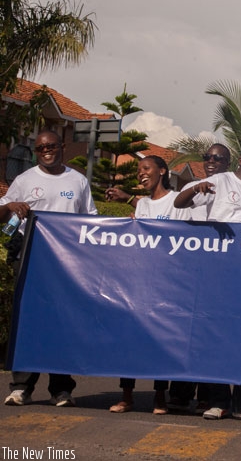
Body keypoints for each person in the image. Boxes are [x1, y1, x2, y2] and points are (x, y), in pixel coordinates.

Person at [174, 141, 241, 424]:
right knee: (216, 338)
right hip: (216, 273)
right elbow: (179, 202)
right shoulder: (218, 180)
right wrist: (195, 188)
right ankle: (218, 402)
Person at [1, 130, 97, 408]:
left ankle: (61, 389)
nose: (46, 151)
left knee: (62, 323)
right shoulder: (24, 180)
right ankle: (21, 387)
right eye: (41, 148)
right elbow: (1, 215)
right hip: (29, 257)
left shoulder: (78, 181)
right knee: (27, 320)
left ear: (62, 147)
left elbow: (89, 221)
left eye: (51, 146)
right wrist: (10, 205)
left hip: (66, 263)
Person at [108, 156, 191, 415]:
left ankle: (159, 397)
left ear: (162, 171)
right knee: (130, 339)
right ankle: (127, 396)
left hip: (166, 282)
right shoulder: (142, 205)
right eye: (138, 171)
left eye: (146, 169)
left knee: (160, 340)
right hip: (139, 281)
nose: (141, 174)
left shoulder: (177, 202)